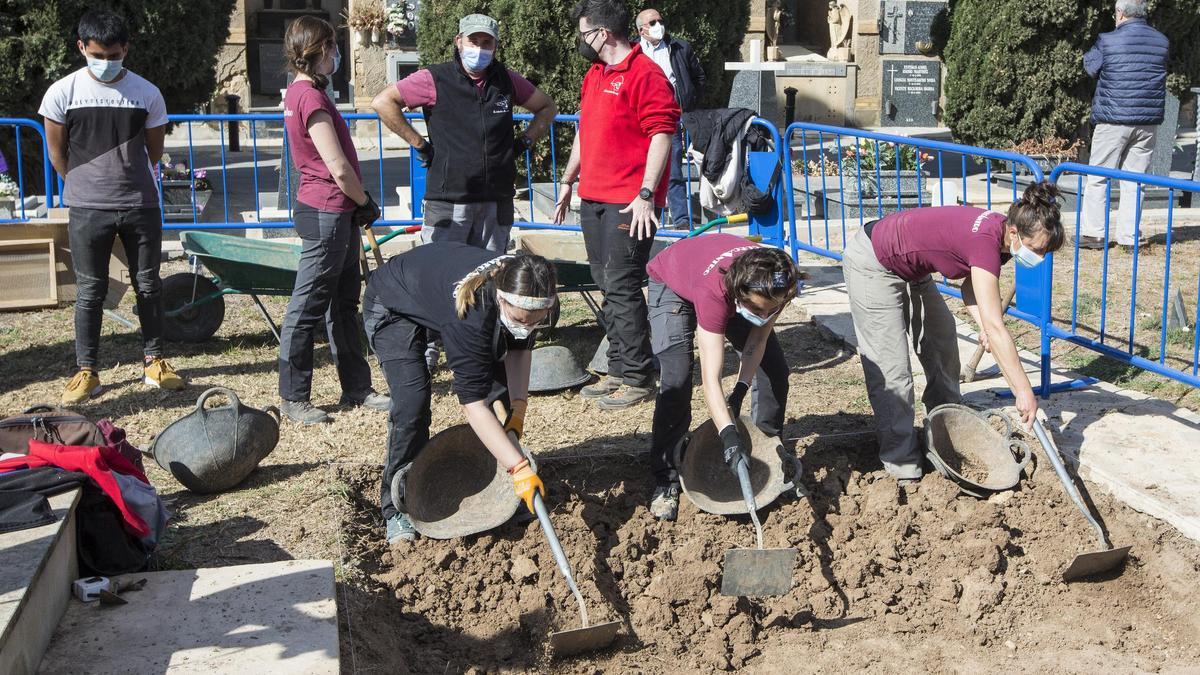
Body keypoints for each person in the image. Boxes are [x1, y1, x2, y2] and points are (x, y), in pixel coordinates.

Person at [843, 183, 1065, 483]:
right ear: (1015, 233)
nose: (1039, 257)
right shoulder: (986, 242)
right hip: (875, 260)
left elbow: (970, 286)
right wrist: (1023, 390)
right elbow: (998, 330)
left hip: (913, 267)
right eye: (1038, 250)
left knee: (943, 347)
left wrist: (985, 324)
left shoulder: (1001, 237)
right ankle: (903, 464)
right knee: (892, 371)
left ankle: (946, 434)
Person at [363, 243, 556, 544]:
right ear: (500, 299)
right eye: (519, 320)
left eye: (536, 320)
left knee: (501, 396)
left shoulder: (532, 289)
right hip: (393, 302)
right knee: (412, 402)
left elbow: (520, 348)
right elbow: (472, 404)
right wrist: (519, 467)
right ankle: (396, 505)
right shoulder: (473, 314)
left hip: (434, 293)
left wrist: (518, 407)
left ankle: (500, 491)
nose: (527, 327)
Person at [40, 10, 185, 404]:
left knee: (149, 284)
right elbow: (56, 151)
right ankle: (86, 370)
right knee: (90, 291)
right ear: (82, 47)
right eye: (98, 54)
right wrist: (84, 184)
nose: (106, 62)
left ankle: (155, 361)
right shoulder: (62, 92)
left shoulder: (147, 92)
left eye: (114, 54)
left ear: (126, 48)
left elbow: (154, 152)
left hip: (140, 203)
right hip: (88, 207)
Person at [553, 0, 681, 410]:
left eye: (584, 34)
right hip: (593, 197)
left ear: (603, 33)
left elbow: (662, 134)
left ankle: (637, 376)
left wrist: (646, 195)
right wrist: (569, 179)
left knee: (623, 285)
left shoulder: (646, 74)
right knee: (606, 283)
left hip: (630, 203)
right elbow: (584, 130)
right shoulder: (594, 74)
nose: (582, 42)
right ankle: (617, 367)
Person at [278, 16, 388, 424]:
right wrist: (365, 201)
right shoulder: (310, 98)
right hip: (327, 208)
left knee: (342, 305)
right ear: (320, 50)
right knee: (307, 307)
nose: (336, 55)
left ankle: (356, 388)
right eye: (333, 48)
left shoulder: (302, 92)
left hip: (333, 210)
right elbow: (337, 166)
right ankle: (294, 397)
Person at [371, 13, 557, 253]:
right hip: (450, 201)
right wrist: (420, 144)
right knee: (443, 276)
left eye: (486, 43)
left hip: (495, 200)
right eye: (473, 41)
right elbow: (383, 102)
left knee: (488, 276)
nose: (479, 48)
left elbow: (547, 107)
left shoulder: (507, 80)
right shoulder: (435, 78)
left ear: (496, 46)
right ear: (459, 41)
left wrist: (523, 142)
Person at [643, 234, 799, 520]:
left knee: (775, 370)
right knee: (676, 380)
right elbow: (711, 376)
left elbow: (757, 342)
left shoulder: (777, 282)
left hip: (736, 288)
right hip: (673, 281)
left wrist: (740, 389)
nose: (764, 315)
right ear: (740, 295)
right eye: (756, 309)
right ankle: (666, 479)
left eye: (770, 309)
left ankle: (769, 453)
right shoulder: (715, 292)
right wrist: (728, 434)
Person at [1079, 0, 1169, 251]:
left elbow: (1091, 67)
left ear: (1120, 13)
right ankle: (1130, 237)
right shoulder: (1162, 41)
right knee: (1135, 180)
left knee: (1099, 176)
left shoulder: (1107, 40)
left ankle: (1094, 234)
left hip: (1113, 118)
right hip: (1147, 121)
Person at [635, 8, 706, 229]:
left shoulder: (679, 47)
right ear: (641, 30)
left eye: (660, 20)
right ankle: (639, 215)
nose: (659, 25)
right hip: (638, 119)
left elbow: (699, 77)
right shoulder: (632, 51)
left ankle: (682, 220)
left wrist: (688, 102)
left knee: (673, 170)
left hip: (669, 118)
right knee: (638, 168)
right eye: (653, 22)